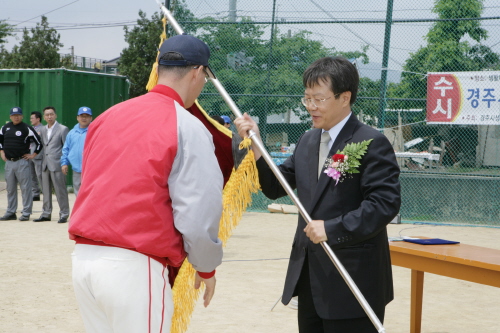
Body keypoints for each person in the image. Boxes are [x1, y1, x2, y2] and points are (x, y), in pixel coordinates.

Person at [68, 34, 223, 333]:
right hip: (134, 266)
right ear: (198, 72)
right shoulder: (186, 124)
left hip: (84, 261)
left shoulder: (107, 116)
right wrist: (206, 265)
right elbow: (198, 208)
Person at [235, 56, 401, 333]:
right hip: (311, 280)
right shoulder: (308, 140)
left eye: (319, 99)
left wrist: (332, 228)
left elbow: (384, 205)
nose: (311, 106)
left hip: (352, 281)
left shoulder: (370, 141)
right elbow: (278, 186)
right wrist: (257, 148)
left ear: (344, 97)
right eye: (307, 98)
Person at [0, 107, 43, 221]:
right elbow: (0, 141)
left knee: (25, 188)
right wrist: (1, 152)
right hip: (9, 162)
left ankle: (26, 212)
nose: (16, 117)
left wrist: (33, 155)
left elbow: (39, 143)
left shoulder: (26, 128)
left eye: (18, 115)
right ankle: (10, 212)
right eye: (14, 115)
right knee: (10, 188)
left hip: (22, 162)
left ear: (22, 116)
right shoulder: (5, 128)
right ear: (10, 117)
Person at [34, 106, 70, 224]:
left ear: (56, 115)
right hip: (45, 164)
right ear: (43, 117)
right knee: (45, 190)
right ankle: (46, 213)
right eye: (47, 115)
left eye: (51, 114)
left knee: (60, 190)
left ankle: (64, 213)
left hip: (57, 164)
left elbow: (66, 147)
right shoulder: (43, 130)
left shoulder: (62, 129)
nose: (49, 117)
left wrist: (65, 163)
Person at [60, 106, 93, 196]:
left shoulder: (94, 132)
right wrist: (64, 163)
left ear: (91, 118)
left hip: (90, 168)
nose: (84, 118)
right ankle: (80, 210)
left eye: (87, 116)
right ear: (77, 117)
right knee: (78, 192)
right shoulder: (72, 133)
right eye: (82, 116)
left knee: (89, 192)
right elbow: (66, 148)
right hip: (76, 168)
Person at [29, 111, 44, 201]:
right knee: (31, 175)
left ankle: (45, 192)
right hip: (29, 154)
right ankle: (35, 193)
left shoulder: (42, 129)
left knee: (40, 175)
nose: (31, 120)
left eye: (32, 118)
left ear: (38, 119)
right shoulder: (31, 129)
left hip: (38, 155)